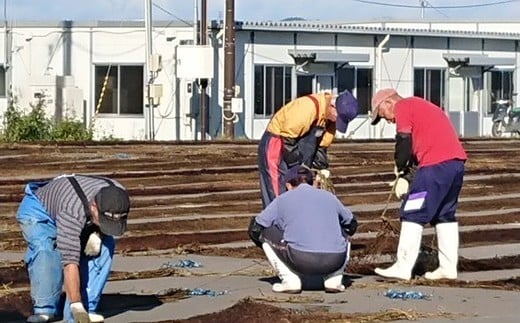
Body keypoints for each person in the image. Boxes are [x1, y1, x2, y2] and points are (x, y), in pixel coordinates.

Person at [370, 88, 467, 281]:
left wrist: (399, 167)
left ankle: (403, 267)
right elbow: (417, 153)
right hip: (455, 164)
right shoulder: (422, 106)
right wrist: (407, 177)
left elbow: (403, 141)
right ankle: (448, 268)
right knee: (444, 215)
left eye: (384, 116)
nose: (389, 121)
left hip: (435, 166)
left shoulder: (404, 106)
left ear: (388, 103)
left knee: (412, 211)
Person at [17, 174, 131, 323]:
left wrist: (98, 234)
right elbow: (70, 261)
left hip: (81, 211)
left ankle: (87, 308)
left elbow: (111, 221)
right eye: (103, 220)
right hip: (40, 210)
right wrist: (76, 305)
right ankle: (44, 309)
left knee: (105, 248)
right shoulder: (72, 211)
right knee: (46, 249)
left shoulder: (120, 197)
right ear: (94, 207)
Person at [248, 165, 358, 293]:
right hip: (335, 260)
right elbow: (352, 224)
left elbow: (255, 227)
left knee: (266, 231)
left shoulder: (283, 199)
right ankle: (334, 279)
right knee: (344, 232)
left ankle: (289, 280)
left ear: (288, 185)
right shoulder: (329, 197)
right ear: (313, 183)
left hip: (301, 259)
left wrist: (263, 244)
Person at [257, 90, 359, 209]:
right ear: (332, 106)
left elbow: (321, 148)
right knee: (277, 189)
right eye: (338, 118)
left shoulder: (329, 120)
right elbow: (288, 138)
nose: (336, 122)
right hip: (278, 143)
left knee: (299, 193)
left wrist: (320, 171)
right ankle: (274, 222)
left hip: (300, 150)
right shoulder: (306, 108)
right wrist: (297, 168)